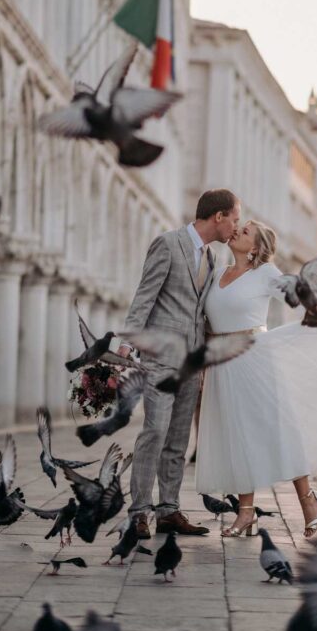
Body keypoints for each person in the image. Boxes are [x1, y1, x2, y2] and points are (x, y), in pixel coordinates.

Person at [195, 220, 317, 539]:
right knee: (238, 435)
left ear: (256, 247)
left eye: (245, 232)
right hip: (222, 364)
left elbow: (301, 296)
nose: (236, 231)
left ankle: (308, 500)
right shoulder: (217, 272)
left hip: (253, 357)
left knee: (277, 431)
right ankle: (246, 513)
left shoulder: (266, 274)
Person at [122, 188, 241, 539]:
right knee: (155, 431)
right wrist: (129, 342)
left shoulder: (212, 259)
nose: (236, 226)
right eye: (234, 218)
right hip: (160, 359)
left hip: (192, 363)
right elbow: (145, 295)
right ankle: (139, 511)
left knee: (178, 439)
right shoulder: (168, 243)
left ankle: (168, 510)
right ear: (218, 216)